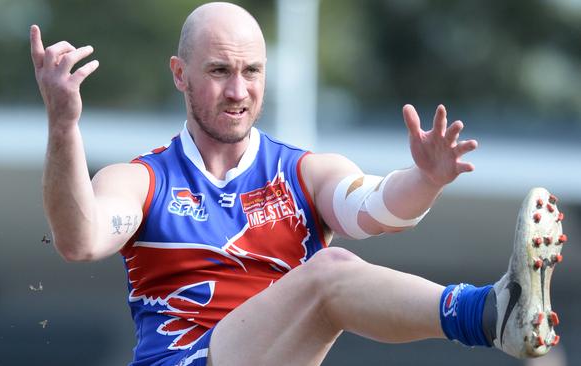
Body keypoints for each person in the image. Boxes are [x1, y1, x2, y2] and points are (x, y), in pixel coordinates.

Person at [29, 2, 567, 365]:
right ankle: (491, 313)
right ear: (179, 74)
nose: (238, 91)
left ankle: (497, 315)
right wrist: (63, 124)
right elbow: (79, 240)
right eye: (219, 71)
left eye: (252, 72)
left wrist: (425, 180)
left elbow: (375, 209)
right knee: (327, 274)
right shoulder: (142, 179)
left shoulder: (304, 173)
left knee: (333, 272)